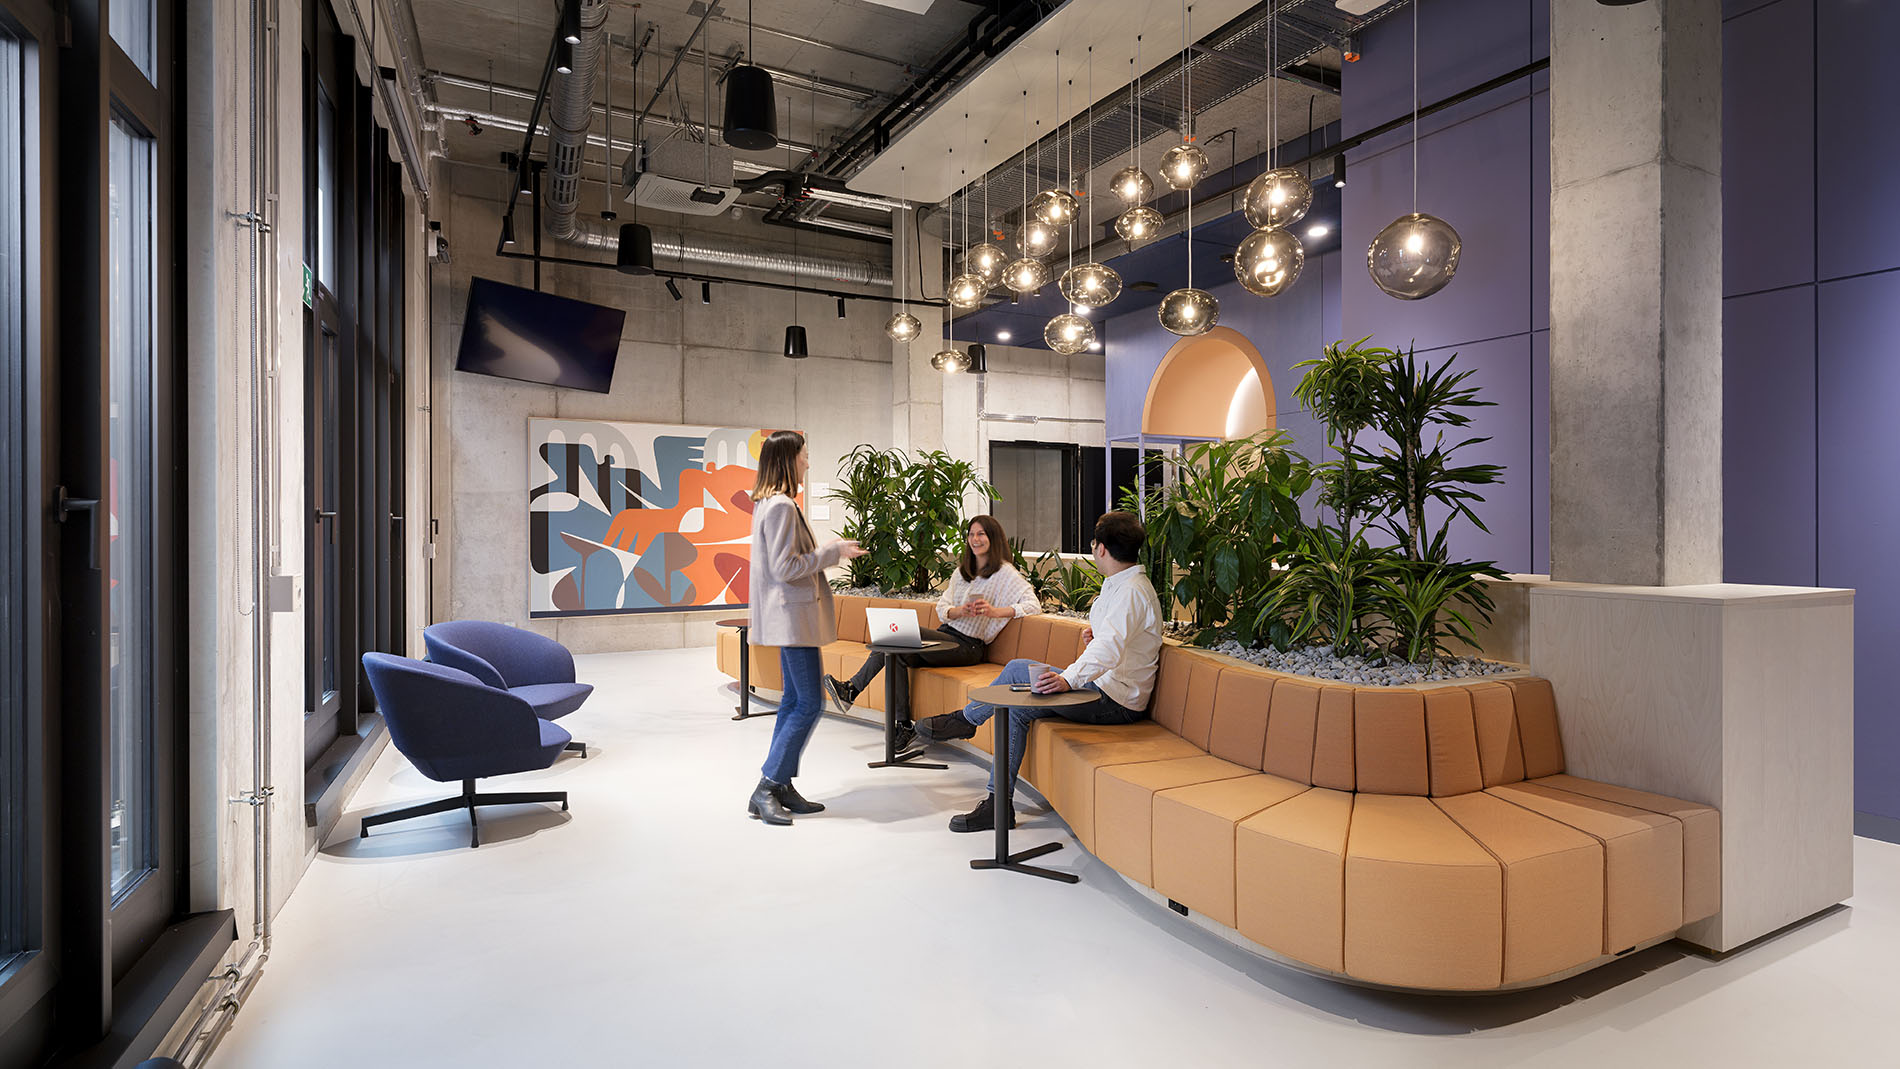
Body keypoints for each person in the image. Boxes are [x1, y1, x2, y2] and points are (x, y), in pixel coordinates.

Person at [914, 511, 1163, 832]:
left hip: (1117, 701)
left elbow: (1110, 649)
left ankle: (967, 721)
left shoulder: (1130, 590)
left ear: (1101, 548)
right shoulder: (1120, 586)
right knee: (1015, 706)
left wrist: (1066, 679)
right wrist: (1094, 637)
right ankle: (997, 804)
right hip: (1105, 687)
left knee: (1018, 670)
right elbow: (1114, 642)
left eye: (1093, 543)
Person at [822, 514, 1041, 752]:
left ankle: (852, 689)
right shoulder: (962, 572)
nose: (975, 539)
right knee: (893, 651)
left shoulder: (1005, 573)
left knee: (895, 636)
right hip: (947, 635)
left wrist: (995, 611)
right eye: (971, 534)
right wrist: (960, 611)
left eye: (981, 534)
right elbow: (942, 609)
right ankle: (903, 725)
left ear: (993, 538)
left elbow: (1033, 604)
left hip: (969, 646)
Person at [745, 430, 867, 826]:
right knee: (809, 703)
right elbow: (786, 568)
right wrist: (831, 552)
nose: (808, 462)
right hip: (793, 620)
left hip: (790, 620)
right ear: (788, 460)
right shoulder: (780, 506)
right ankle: (768, 785)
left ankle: (779, 785)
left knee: (793, 702)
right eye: (804, 455)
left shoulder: (769, 503)